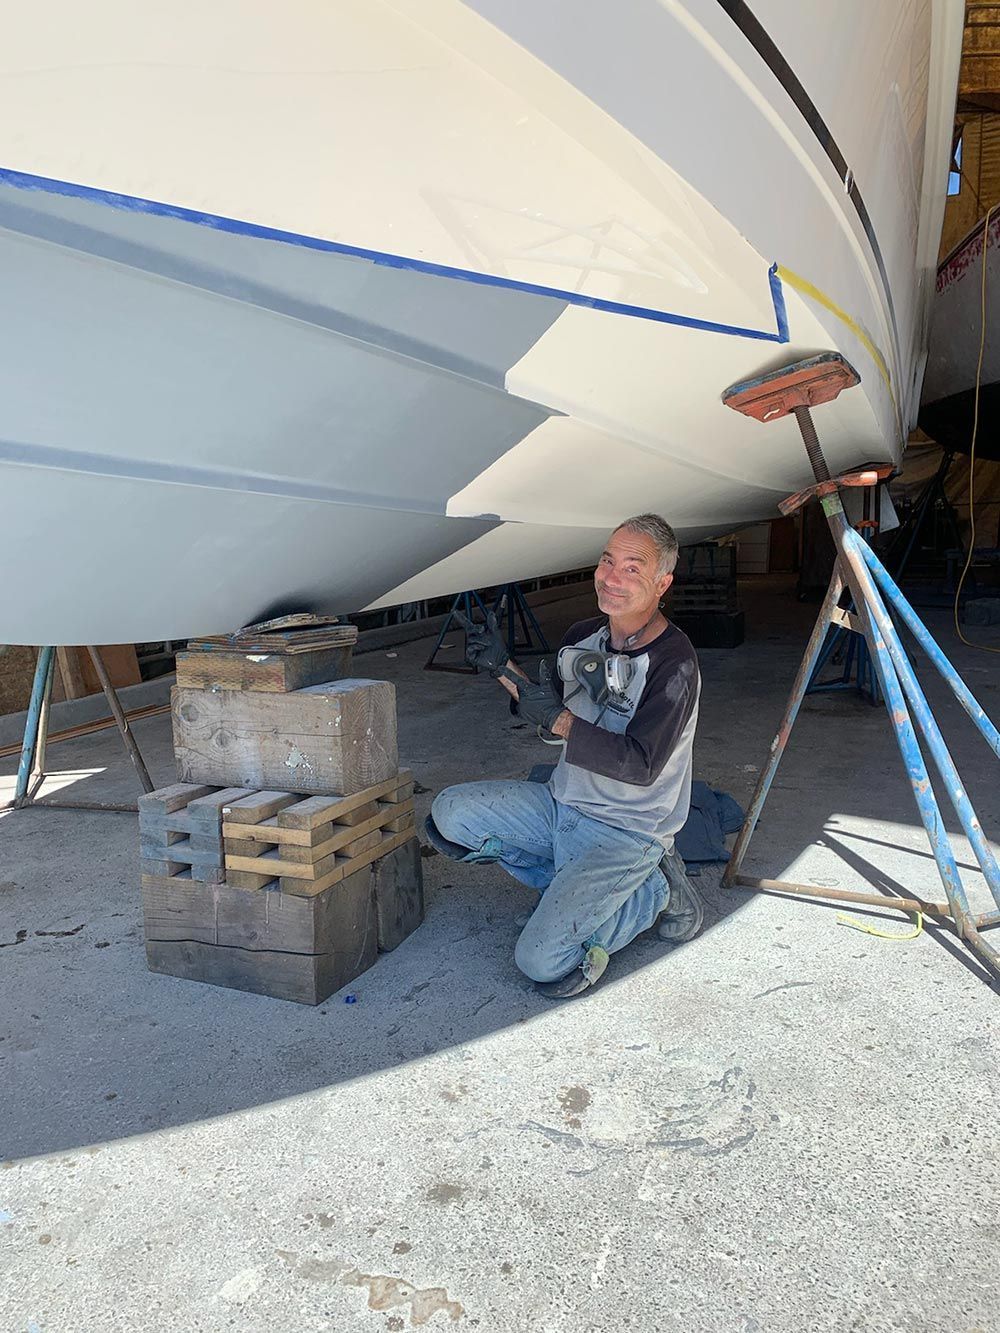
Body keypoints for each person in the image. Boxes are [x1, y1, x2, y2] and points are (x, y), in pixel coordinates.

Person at [425, 514, 705, 998]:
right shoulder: (582, 636)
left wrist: (557, 719)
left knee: (541, 961)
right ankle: (574, 890)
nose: (612, 577)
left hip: (627, 828)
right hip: (562, 804)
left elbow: (640, 765)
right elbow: (546, 706)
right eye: (607, 561)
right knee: (448, 813)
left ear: (663, 584)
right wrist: (500, 665)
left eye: (632, 569)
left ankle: (654, 892)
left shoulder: (674, 664)